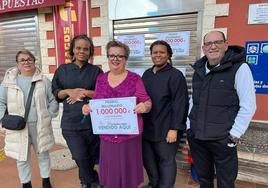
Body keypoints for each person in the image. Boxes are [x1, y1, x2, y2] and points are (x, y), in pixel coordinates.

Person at [187, 30, 256, 188]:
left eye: (217, 42)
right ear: (204, 48)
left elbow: (249, 105)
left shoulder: (240, 68)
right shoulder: (199, 70)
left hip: (223, 139)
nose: (213, 46)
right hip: (198, 138)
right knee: (204, 180)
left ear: (226, 45)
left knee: (226, 183)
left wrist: (234, 135)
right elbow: (193, 101)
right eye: (208, 44)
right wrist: (190, 126)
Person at [82, 40, 152, 188]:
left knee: (128, 172)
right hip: (107, 134)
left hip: (128, 135)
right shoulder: (101, 79)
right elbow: (96, 101)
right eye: (112, 55)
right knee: (111, 172)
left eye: (120, 56)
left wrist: (144, 107)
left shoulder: (135, 79)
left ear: (125, 59)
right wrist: (87, 108)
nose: (115, 59)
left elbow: (147, 101)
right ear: (107, 58)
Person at [0, 49, 59, 188]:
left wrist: (48, 115)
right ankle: (25, 183)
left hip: (39, 125)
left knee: (42, 154)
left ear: (33, 61)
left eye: (29, 59)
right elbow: (0, 102)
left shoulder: (43, 80)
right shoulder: (8, 82)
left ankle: (46, 180)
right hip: (18, 127)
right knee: (22, 157)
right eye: (22, 60)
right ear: (17, 64)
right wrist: (3, 119)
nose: (26, 62)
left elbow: (53, 100)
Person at [51, 35, 103, 188]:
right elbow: (55, 93)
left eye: (86, 49)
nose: (82, 51)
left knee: (91, 156)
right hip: (71, 123)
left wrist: (85, 92)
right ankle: (92, 179)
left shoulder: (96, 71)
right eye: (78, 48)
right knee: (80, 156)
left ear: (90, 52)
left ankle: (85, 182)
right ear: (73, 50)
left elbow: (102, 94)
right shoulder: (63, 70)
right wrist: (68, 91)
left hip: (93, 123)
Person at [142, 40, 189, 188]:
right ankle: (154, 184)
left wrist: (174, 129)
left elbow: (181, 103)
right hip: (147, 128)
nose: (158, 55)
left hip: (166, 129)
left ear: (168, 55)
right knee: (148, 160)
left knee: (165, 161)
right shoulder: (147, 74)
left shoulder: (175, 75)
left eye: (162, 52)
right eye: (155, 52)